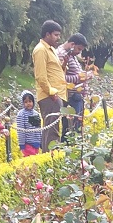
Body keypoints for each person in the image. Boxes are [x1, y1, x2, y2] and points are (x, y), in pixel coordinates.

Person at [32, 20, 67, 152]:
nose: (58, 38)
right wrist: (51, 92)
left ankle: (51, 157)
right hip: (50, 96)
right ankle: (50, 159)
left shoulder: (51, 50)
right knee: (51, 130)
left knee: (54, 128)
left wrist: (63, 65)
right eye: (56, 35)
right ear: (47, 34)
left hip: (56, 95)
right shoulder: (40, 50)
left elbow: (54, 72)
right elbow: (40, 76)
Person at [56, 33, 91, 137]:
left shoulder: (71, 55)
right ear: (72, 44)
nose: (79, 52)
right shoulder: (62, 54)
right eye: (79, 49)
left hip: (76, 96)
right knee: (72, 130)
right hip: (71, 97)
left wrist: (85, 76)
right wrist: (79, 78)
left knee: (76, 129)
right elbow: (60, 78)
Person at [15, 90, 42, 156]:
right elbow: (21, 131)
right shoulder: (21, 114)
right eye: (26, 102)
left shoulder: (35, 114)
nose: (28, 103)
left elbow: (38, 129)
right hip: (27, 144)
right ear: (22, 103)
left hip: (36, 143)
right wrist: (22, 144)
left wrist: (40, 141)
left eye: (30, 101)